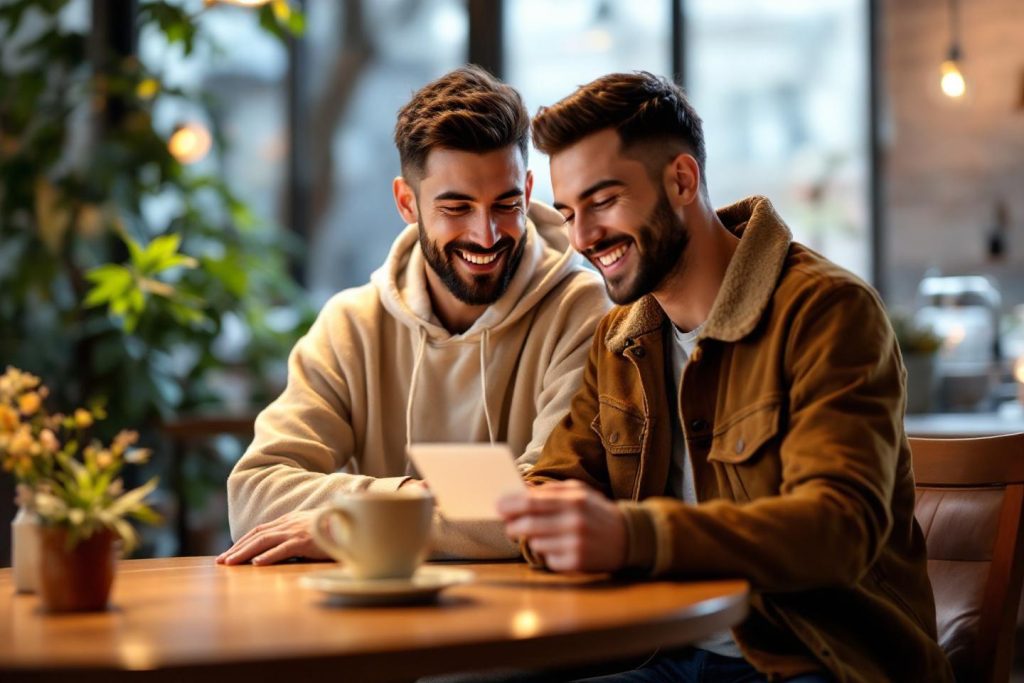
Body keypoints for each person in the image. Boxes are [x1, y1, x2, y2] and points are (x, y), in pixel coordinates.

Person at [497, 72, 953, 682]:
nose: (582, 238)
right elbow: (555, 475)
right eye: (569, 212)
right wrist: (549, 514)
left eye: (603, 201)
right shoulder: (620, 340)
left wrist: (634, 538)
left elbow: (839, 527)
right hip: (660, 653)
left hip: (816, 660)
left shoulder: (827, 311)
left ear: (682, 180)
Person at [218, 66, 609, 566]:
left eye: (506, 204)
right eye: (456, 207)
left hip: (528, 627)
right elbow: (252, 496)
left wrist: (352, 519)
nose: (486, 235)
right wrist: (416, 500)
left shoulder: (581, 311)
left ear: (529, 191)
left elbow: (544, 507)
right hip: (379, 623)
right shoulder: (350, 325)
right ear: (408, 202)